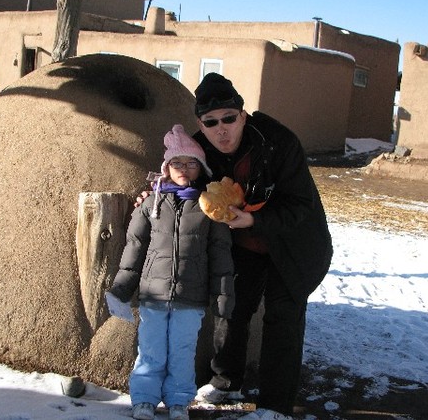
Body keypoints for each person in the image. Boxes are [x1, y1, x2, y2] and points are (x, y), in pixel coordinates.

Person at [191, 73, 333, 420]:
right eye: (211, 122)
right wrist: (153, 192)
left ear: (243, 115)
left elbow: (300, 204)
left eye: (229, 118)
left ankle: (274, 406)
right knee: (232, 307)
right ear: (201, 124)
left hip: (294, 243)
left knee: (283, 318)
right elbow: (182, 180)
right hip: (245, 245)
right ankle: (226, 381)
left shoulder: (278, 142)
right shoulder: (200, 147)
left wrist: (254, 220)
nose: (221, 129)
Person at [109, 124, 235, 420]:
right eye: (177, 162)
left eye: (191, 163)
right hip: (153, 294)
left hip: (190, 297)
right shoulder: (151, 204)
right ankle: (144, 399)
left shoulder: (209, 207)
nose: (184, 168)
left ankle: (179, 400)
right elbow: (134, 247)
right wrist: (121, 287)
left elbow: (220, 254)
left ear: (200, 168)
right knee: (151, 351)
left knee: (181, 352)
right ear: (166, 167)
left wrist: (223, 295)